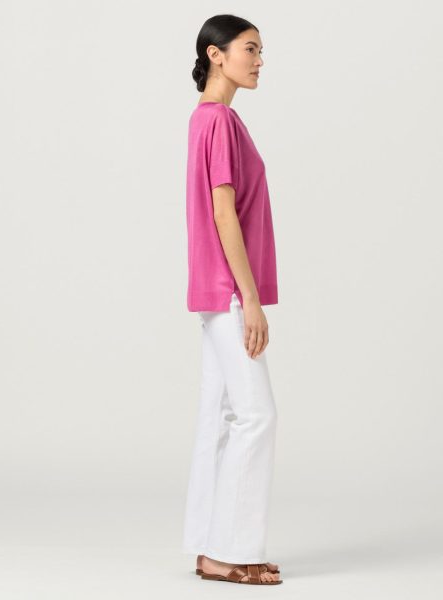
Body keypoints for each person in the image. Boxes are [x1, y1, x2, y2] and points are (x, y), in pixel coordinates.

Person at [181, 14, 283, 586]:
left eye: (261, 50)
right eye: (250, 49)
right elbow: (224, 214)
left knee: (220, 417)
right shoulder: (218, 120)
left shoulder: (209, 118)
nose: (260, 60)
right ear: (215, 55)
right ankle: (234, 550)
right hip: (228, 290)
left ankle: (209, 546)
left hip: (214, 288)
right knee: (255, 415)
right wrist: (250, 297)